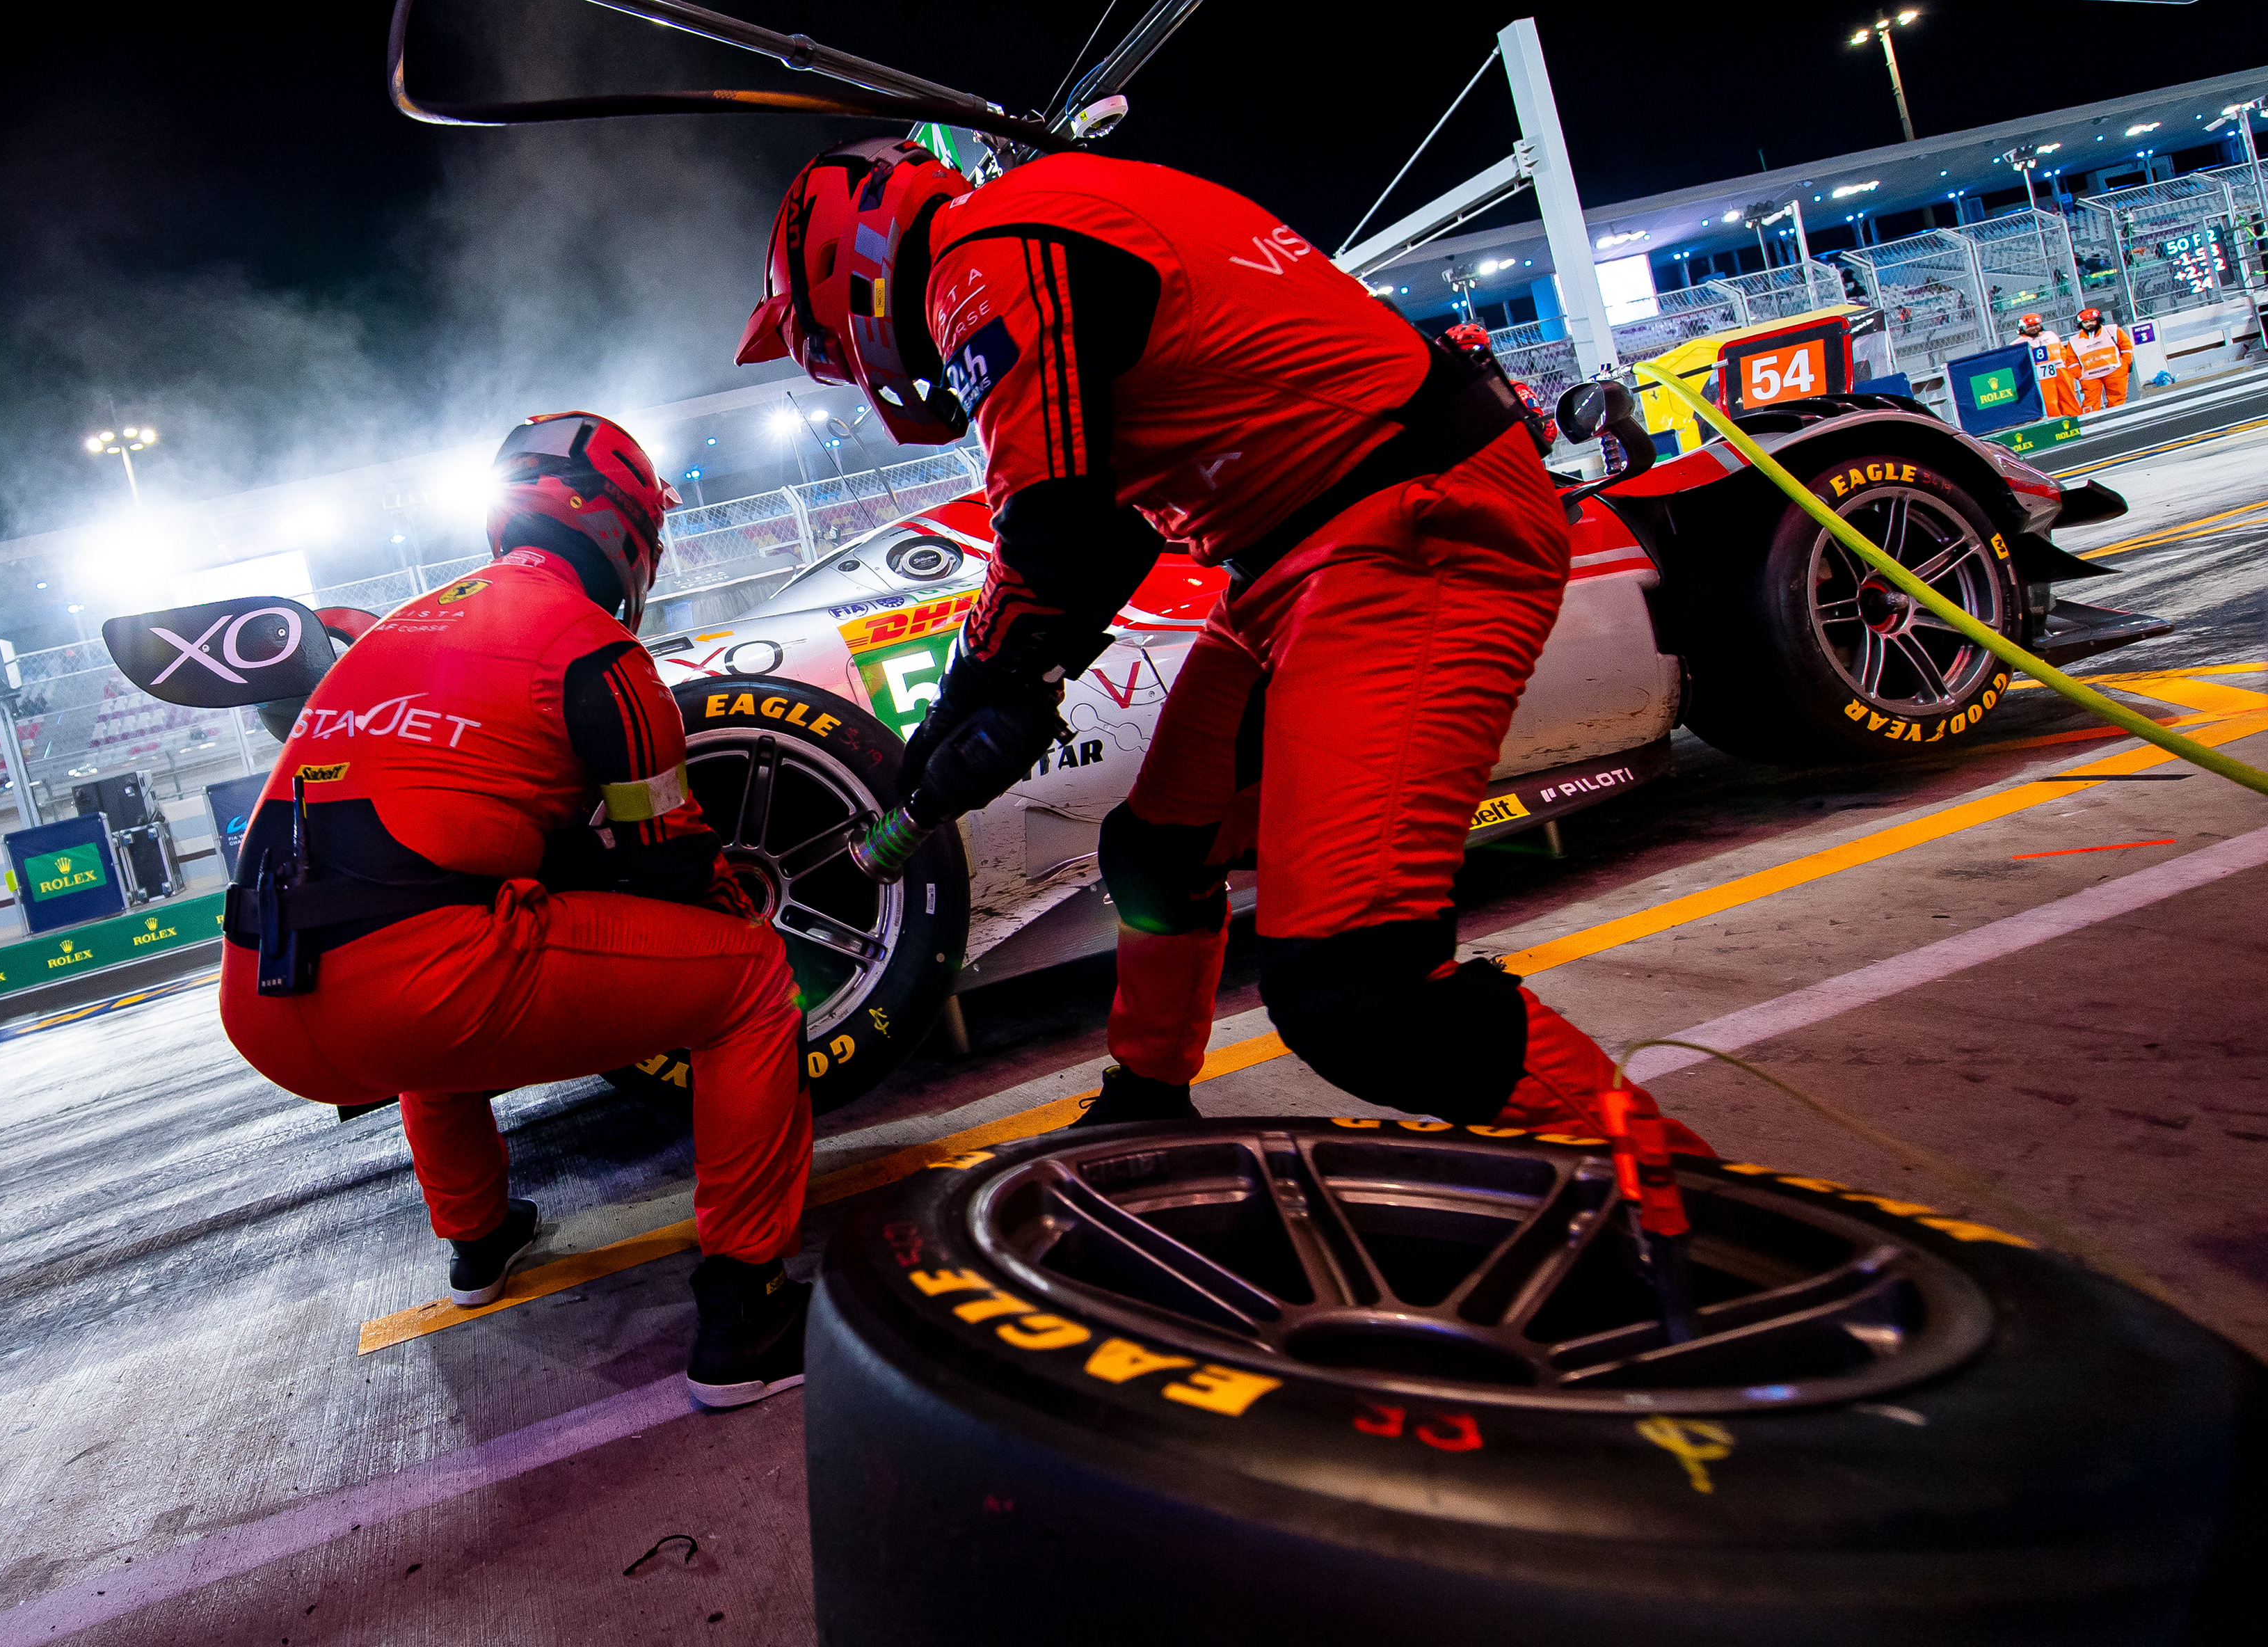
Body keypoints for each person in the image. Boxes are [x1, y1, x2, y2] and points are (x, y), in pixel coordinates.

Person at [737, 138, 1708, 1156]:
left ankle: (1683, 1205)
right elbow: (1085, 538)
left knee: (1355, 987)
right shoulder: (1030, 229)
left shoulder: (984, 259)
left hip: (1407, 527)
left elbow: (1061, 542)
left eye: (830, 354)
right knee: (1158, 854)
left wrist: (976, 696)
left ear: (846, 276)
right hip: (1306, 550)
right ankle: (1147, 1104)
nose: (855, 379)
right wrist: (977, 697)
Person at [216, 413, 815, 1409]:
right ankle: (748, 1315)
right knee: (749, 977)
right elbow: (667, 868)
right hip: (415, 985)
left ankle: (479, 1238)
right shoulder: (596, 647)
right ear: (630, 530)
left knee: (446, 957)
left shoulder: (405, 625)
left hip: (262, 1001)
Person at [2019, 312, 2080, 419]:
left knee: (2069, 397)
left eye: (2036, 325)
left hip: (2061, 370)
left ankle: (2076, 418)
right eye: (2030, 326)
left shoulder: (2051, 335)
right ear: (2023, 328)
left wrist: (2068, 369)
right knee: (2049, 401)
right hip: (2041, 375)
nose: (2034, 328)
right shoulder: (2019, 343)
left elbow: (2063, 352)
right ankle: (2057, 422)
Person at [2071, 307, 2133, 411]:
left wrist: (2125, 365)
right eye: (2086, 322)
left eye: (2092, 321)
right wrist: (2080, 375)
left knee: (2118, 401)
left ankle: (2117, 421)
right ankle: (2091, 424)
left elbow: (2127, 347)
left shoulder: (2113, 331)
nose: (2089, 324)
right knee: (2090, 404)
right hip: (2090, 377)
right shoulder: (2074, 340)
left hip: (2115, 372)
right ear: (2081, 325)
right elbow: (2071, 361)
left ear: (2098, 320)